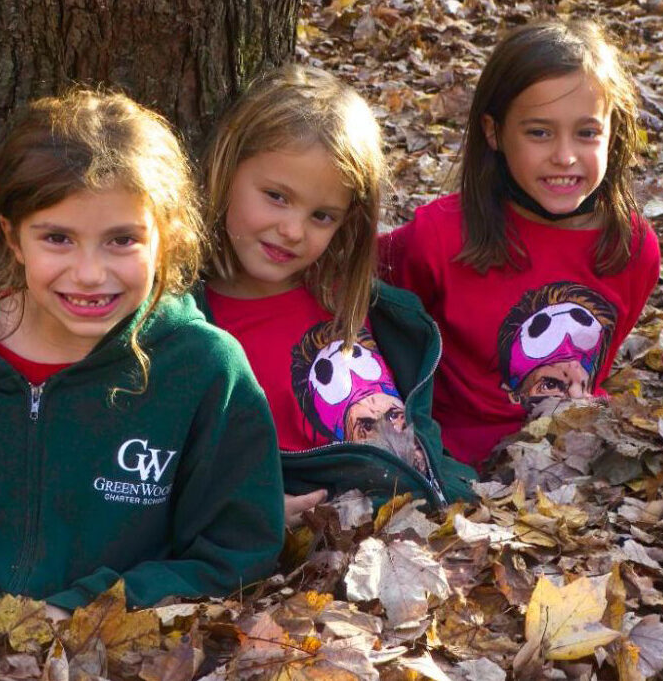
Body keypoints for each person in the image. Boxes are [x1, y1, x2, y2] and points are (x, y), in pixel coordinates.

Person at [0, 89, 283, 612]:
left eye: (122, 240)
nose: (89, 274)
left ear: (164, 237)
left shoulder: (204, 370)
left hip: (127, 647)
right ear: (13, 239)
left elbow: (236, 549)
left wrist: (86, 610)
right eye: (57, 238)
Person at [381, 20, 661, 467]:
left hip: (577, 459)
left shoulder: (631, 247)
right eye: (539, 132)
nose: (565, 156)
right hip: (453, 464)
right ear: (494, 132)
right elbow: (354, 288)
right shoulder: (438, 236)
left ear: (614, 132)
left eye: (587, 133)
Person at [198, 64, 473, 518]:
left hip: (431, 520)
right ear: (227, 170)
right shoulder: (197, 327)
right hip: (319, 551)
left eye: (322, 216)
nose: (292, 230)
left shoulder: (354, 299)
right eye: (276, 196)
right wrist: (250, 509)